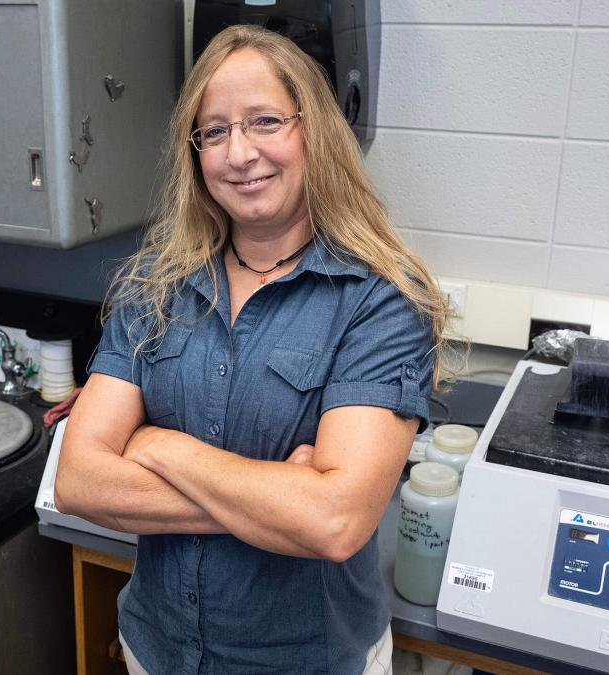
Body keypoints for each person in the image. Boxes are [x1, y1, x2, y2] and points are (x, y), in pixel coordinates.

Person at [55, 24, 450, 675]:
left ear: (314, 131)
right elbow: (78, 480)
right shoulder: (155, 285)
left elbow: (334, 523)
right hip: (156, 651)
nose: (239, 153)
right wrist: (279, 501)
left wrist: (161, 447)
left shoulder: (379, 300)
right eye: (214, 131)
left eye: (265, 121)